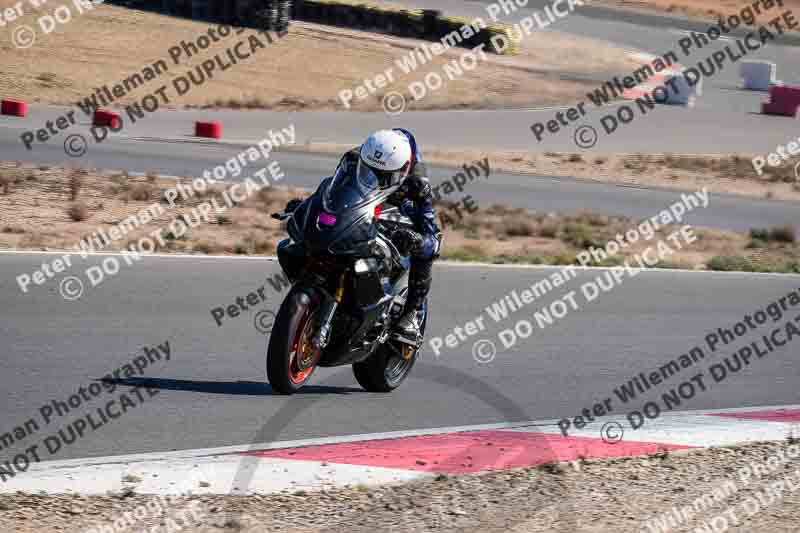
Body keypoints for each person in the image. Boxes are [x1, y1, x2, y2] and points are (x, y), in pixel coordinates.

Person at [333, 129, 441, 341]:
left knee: (426, 248)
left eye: (382, 177)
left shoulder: (417, 185)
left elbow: (433, 238)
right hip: (365, 201)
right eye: (369, 171)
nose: (374, 179)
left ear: (402, 172)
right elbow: (333, 192)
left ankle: (410, 315)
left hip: (399, 206)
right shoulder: (354, 159)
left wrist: (418, 241)